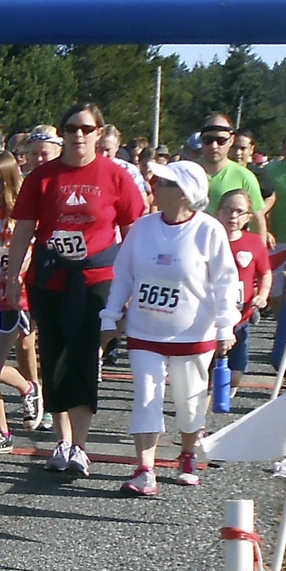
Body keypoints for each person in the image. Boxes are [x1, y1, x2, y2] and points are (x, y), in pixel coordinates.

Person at [2, 101, 147, 478]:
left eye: (85, 129)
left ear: (99, 133)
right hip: (49, 278)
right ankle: (62, 440)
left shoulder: (116, 176)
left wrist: (132, 284)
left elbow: (134, 234)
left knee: (84, 357)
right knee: (53, 358)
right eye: (71, 128)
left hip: (97, 281)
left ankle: (81, 444)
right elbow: (23, 231)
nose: (77, 135)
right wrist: (13, 277)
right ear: (62, 133)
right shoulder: (42, 176)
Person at [100, 161, 239, 494]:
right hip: (144, 332)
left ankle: (188, 453)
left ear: (184, 192)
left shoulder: (208, 230)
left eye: (162, 182)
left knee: (189, 401)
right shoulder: (142, 228)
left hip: (193, 334)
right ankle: (144, 469)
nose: (154, 186)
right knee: (146, 398)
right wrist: (110, 317)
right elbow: (124, 275)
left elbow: (225, 282)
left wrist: (225, 326)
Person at [0, 149, 45, 453]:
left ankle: (29, 387)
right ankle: (3, 433)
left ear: (11, 182)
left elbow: (34, 253)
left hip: (14, 302)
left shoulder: (21, 217)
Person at [217, 189, 273, 395]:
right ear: (218, 212)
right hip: (210, 314)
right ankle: (201, 400)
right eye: (228, 210)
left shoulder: (254, 243)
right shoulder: (210, 239)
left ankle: (227, 389)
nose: (233, 216)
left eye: (239, 211)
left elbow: (265, 273)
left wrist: (263, 295)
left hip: (241, 316)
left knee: (235, 372)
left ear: (248, 217)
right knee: (206, 364)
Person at [196, 114, 268, 240]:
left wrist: (259, 255)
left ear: (231, 140)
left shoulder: (244, 176)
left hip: (229, 251)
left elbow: (258, 221)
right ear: (201, 140)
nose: (214, 146)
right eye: (208, 140)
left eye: (221, 140)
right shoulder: (187, 172)